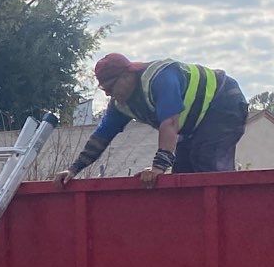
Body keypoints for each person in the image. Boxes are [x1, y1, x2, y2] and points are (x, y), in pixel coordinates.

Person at [59, 54, 247, 186]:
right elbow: (101, 137)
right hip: (195, 124)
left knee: (207, 160)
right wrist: (73, 169)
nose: (109, 94)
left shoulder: (160, 77)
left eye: (111, 87)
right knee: (183, 175)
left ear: (127, 75)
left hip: (225, 103)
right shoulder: (121, 104)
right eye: (104, 91)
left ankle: (232, 220)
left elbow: (170, 123)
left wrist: (158, 167)